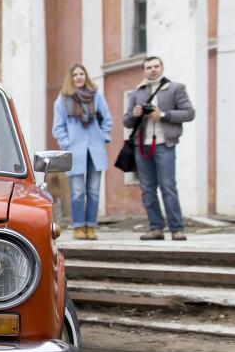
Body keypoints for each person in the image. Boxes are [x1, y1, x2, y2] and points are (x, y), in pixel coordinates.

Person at [123, 55, 196, 241]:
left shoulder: (175, 88)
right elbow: (126, 121)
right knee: (147, 189)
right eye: (149, 67)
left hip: (165, 144)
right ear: (144, 70)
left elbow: (189, 113)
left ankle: (177, 229)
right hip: (142, 146)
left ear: (162, 68)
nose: (153, 70)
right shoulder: (138, 91)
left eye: (156, 66)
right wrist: (135, 114)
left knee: (168, 187)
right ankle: (156, 228)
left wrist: (162, 114)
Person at [51, 63, 112, 240]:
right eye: (76, 74)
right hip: (75, 150)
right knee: (77, 191)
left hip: (95, 148)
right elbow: (58, 126)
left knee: (93, 190)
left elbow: (107, 119)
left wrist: (103, 136)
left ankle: (90, 226)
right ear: (71, 78)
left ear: (86, 76)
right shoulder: (63, 99)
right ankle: (78, 226)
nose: (79, 77)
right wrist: (66, 143)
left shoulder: (96, 96)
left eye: (82, 74)